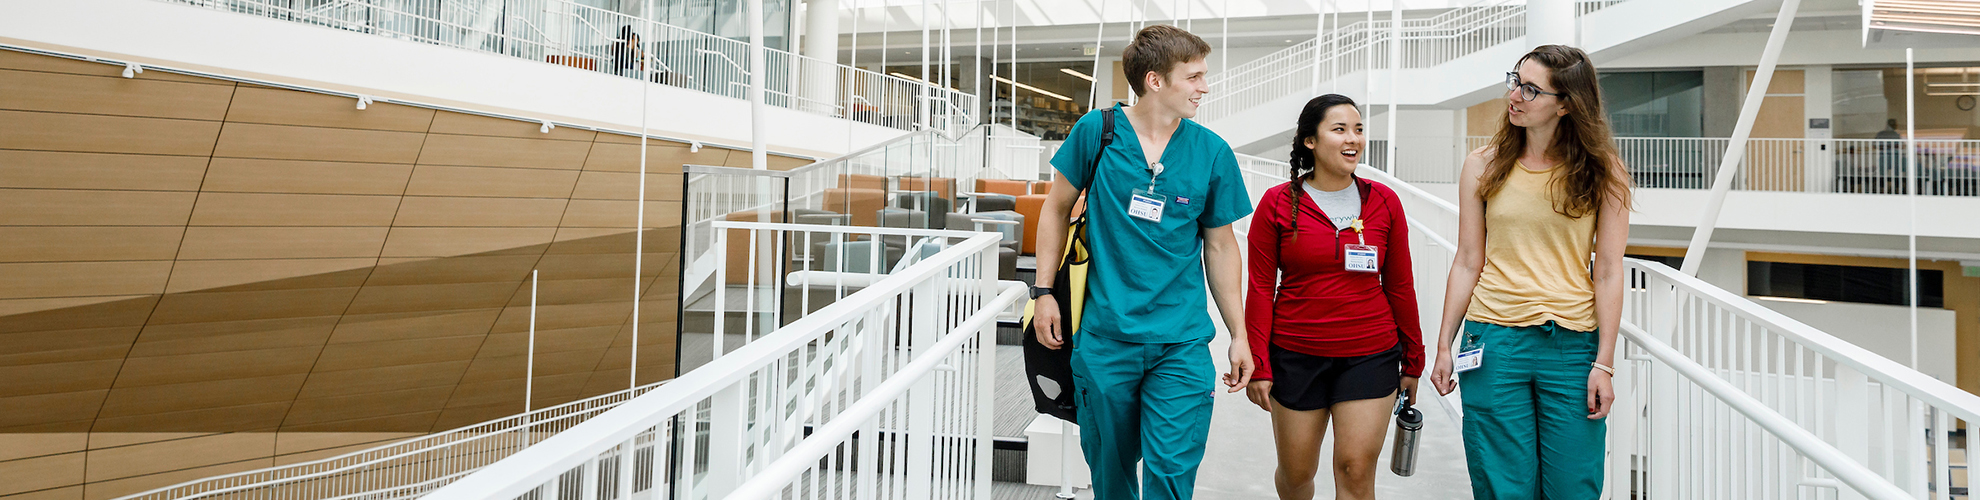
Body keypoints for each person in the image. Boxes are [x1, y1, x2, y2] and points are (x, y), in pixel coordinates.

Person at [1031, 24, 1255, 500]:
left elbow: (1220, 247)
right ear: (1156, 81)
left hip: (1182, 342)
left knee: (1171, 473)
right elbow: (1054, 209)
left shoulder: (1211, 152)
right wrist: (1043, 291)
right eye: (1193, 77)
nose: (1205, 87)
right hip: (1106, 337)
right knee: (1110, 473)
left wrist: (1240, 334)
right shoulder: (1099, 131)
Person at [1427, 44, 1632, 499]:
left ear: (1566, 104)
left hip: (1573, 346)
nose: (1514, 95)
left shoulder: (1605, 173)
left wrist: (1605, 363)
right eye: (1515, 80)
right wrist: (1443, 344)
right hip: (1494, 342)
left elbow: (1610, 271)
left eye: (1531, 89)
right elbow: (1467, 259)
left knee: (1573, 488)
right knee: (1504, 487)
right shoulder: (1482, 164)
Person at [1243, 94, 1423, 500]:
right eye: (1339, 129)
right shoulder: (1277, 203)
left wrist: (1414, 357)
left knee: (1356, 470)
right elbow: (1258, 287)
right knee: (1296, 474)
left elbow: (1400, 286)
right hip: (1296, 353)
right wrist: (1259, 362)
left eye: (1358, 129)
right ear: (1310, 140)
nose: (1353, 139)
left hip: (1370, 353)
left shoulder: (1384, 201)